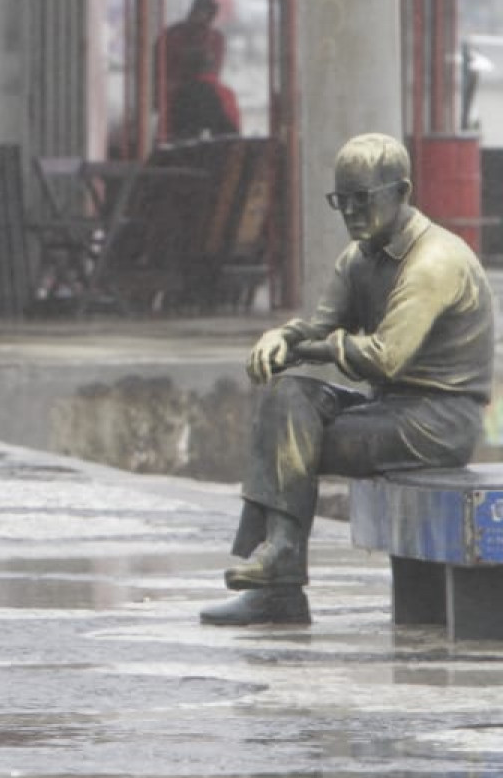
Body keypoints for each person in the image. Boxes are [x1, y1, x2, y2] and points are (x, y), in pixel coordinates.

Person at [201, 133, 494, 627]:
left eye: (364, 199)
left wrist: (301, 347)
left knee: (291, 437)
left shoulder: (435, 261)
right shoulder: (360, 257)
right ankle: (281, 560)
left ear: (400, 192)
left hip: (439, 419)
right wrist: (284, 335)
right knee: (286, 396)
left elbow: (385, 358)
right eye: (342, 200)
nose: (352, 212)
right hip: (390, 408)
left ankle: (280, 574)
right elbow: (322, 326)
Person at [158, 0, 225, 109]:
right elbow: (161, 67)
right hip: (175, 95)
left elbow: (214, 70)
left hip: (200, 97)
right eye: (199, 12)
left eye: (207, 14)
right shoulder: (172, 35)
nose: (200, 17)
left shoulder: (215, 39)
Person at [164, 46, 239, 140]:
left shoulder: (178, 94)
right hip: (223, 151)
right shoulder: (226, 93)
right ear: (212, 67)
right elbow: (234, 133)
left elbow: (168, 134)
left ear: (188, 68)